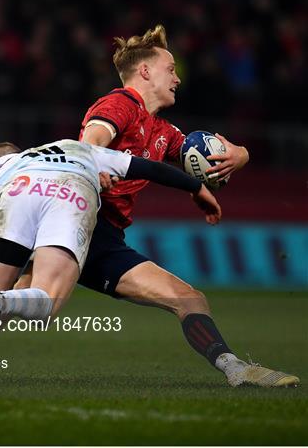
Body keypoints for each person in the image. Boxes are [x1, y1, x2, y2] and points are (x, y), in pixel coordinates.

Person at [72, 24, 298, 387]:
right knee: (23, 300)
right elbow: (90, 141)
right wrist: (94, 164)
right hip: (72, 222)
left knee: (189, 298)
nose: (177, 78)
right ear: (145, 71)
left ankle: (236, 369)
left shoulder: (164, 132)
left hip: (104, 241)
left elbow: (218, 153)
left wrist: (241, 154)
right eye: (171, 68)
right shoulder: (119, 104)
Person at [0, 138, 220, 386]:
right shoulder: (75, 146)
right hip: (69, 190)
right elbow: (149, 168)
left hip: (16, 192)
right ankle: (0, 304)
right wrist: (196, 187)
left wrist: (18, 260)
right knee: (46, 302)